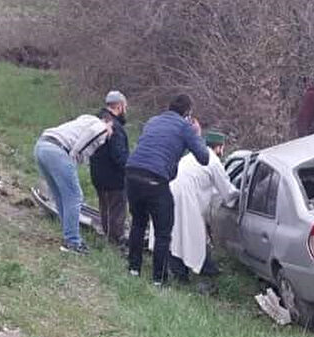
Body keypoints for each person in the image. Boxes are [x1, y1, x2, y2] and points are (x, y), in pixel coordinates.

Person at [125, 93, 209, 285]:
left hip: (132, 173)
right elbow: (203, 158)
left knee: (138, 223)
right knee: (163, 232)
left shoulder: (153, 121)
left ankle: (133, 268)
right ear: (188, 113)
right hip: (155, 179)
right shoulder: (186, 127)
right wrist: (196, 134)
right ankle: (158, 279)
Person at [165, 131, 239, 291]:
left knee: (174, 235)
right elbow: (226, 190)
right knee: (192, 236)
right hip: (187, 200)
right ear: (219, 147)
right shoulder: (213, 161)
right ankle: (183, 274)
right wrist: (239, 196)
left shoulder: (190, 156)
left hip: (170, 193)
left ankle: (204, 267)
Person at [34, 112, 114, 253]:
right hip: (58, 151)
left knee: (61, 196)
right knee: (74, 196)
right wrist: (73, 155)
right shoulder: (102, 127)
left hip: (42, 146)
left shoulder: (86, 119)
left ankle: (69, 237)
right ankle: (72, 242)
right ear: (109, 122)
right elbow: (93, 133)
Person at [89, 90, 130, 247]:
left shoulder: (97, 120)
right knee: (116, 213)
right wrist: (130, 171)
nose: (125, 110)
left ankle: (107, 240)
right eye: (125, 106)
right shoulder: (115, 127)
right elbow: (119, 156)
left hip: (97, 174)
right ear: (119, 106)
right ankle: (115, 244)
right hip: (113, 178)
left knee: (105, 209)